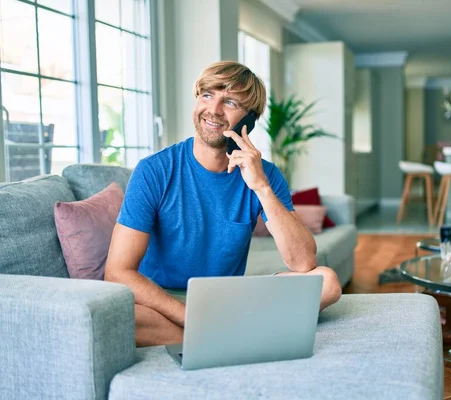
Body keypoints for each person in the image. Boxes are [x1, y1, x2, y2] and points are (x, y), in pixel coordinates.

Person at [104, 61, 342, 347]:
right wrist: (191, 316)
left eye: (229, 101)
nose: (214, 110)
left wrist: (261, 187)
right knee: (118, 316)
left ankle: (210, 339)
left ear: (249, 120)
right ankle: (232, 339)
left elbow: (303, 262)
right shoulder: (154, 171)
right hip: (162, 301)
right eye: (207, 95)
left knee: (326, 281)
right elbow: (117, 272)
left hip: (227, 297)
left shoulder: (265, 175)